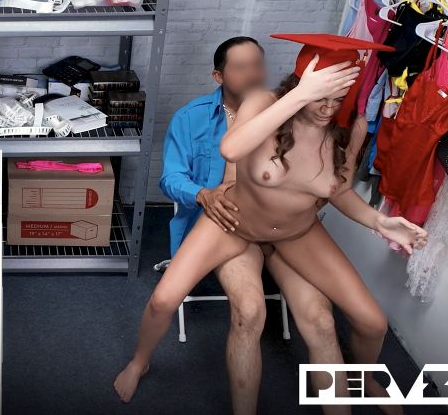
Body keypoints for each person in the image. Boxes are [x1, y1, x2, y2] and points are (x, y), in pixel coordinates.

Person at [116, 34, 428, 413]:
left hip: (297, 232)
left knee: (372, 321)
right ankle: (140, 361)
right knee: (164, 300)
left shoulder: (347, 128)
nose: (327, 109)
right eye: (320, 96)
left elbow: (339, 190)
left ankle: (367, 377)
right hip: (236, 223)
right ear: (300, 84)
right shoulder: (264, 103)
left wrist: (380, 222)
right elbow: (231, 148)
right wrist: (300, 96)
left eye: (337, 99)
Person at [159, 37, 348, 415]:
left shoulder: (291, 109)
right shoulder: (190, 118)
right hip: (229, 225)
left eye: (258, 64)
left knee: (323, 321)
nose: (253, 74)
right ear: (218, 75)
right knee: (249, 311)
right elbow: (171, 178)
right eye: (240, 67)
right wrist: (202, 195)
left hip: (284, 230)